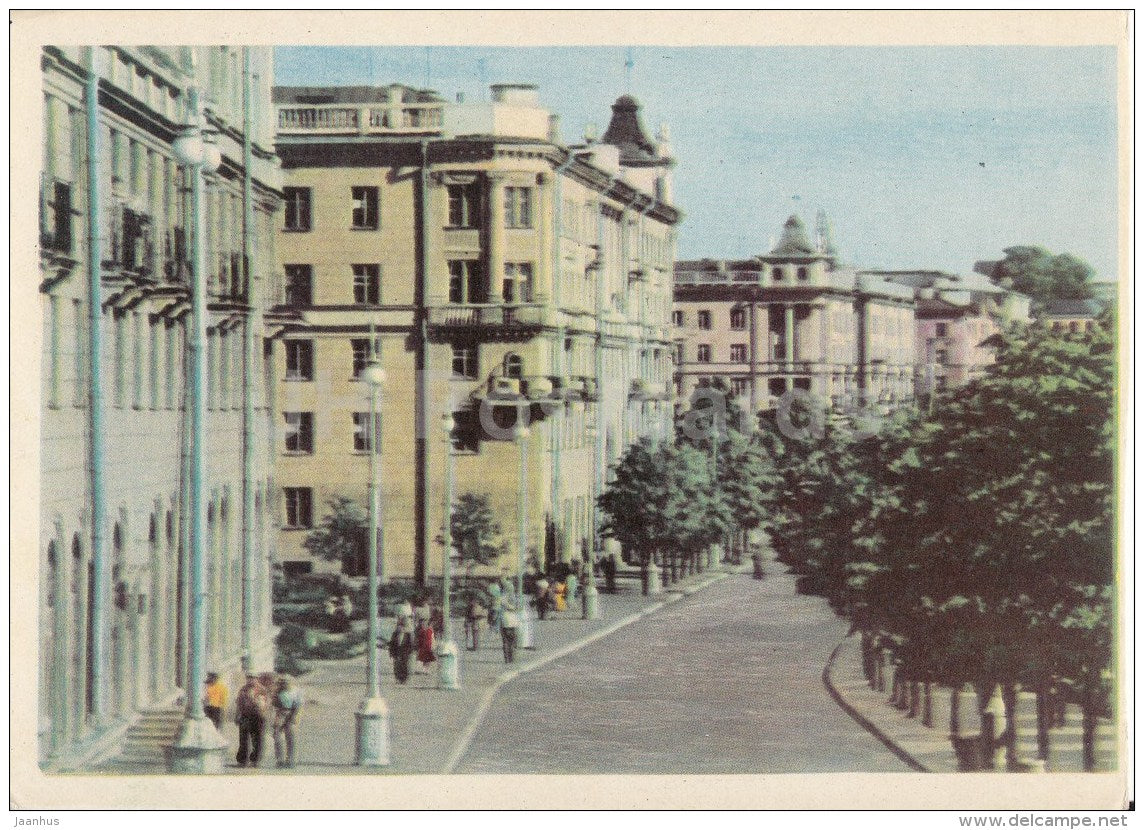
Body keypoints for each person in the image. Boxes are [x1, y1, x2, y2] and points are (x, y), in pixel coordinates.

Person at [235, 673, 271, 768]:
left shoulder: (262, 689)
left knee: (257, 739)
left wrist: (262, 709)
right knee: (243, 739)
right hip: (245, 716)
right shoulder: (243, 689)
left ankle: (255, 760)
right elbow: (239, 703)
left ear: (256, 678)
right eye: (248, 678)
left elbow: (267, 703)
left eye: (252, 678)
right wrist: (237, 715)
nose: (250, 680)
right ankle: (242, 761)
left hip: (258, 717)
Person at [273, 675, 303, 768]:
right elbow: (274, 705)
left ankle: (291, 760)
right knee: (277, 736)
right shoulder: (278, 692)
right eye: (282, 682)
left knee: (291, 737)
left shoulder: (295, 691)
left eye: (285, 682)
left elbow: (299, 705)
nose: (284, 684)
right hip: (281, 713)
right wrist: (276, 718)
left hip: (292, 712)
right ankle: (280, 759)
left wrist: (295, 717)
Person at [388, 617, 414, 684]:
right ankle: (397, 679)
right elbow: (391, 644)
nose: (401, 629)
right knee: (396, 666)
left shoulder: (408, 635)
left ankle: (404, 679)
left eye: (402, 627)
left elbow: (411, 644)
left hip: (405, 653)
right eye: (399, 627)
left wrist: (409, 652)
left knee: (404, 666)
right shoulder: (395, 634)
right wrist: (391, 653)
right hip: (396, 652)